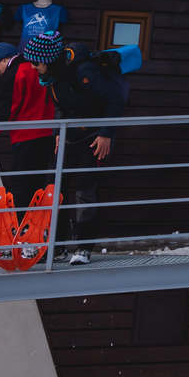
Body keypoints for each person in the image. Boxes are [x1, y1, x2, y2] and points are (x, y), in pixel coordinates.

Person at [37, 35, 130, 264]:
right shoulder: (54, 77)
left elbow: (115, 101)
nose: (33, 67)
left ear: (49, 60)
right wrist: (58, 133)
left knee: (84, 190)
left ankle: (83, 247)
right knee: (54, 187)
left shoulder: (86, 72)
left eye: (36, 62)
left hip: (92, 137)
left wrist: (106, 133)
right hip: (68, 135)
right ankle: (56, 246)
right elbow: (61, 107)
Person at [0, 32, 59, 218]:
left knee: (22, 189)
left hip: (26, 138)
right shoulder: (39, 66)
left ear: (4, 60)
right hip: (50, 135)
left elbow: (4, 115)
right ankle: (41, 232)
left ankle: (23, 233)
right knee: (42, 187)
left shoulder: (14, 74)